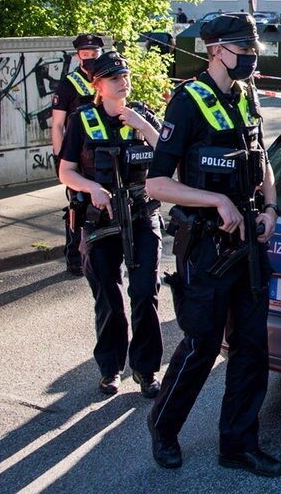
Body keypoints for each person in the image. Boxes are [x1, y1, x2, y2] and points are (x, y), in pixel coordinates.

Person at [144, 14, 281, 477]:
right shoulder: (187, 101)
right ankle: (164, 427)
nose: (252, 55)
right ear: (216, 50)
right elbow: (157, 185)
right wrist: (215, 199)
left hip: (250, 242)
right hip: (206, 246)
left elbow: (262, 157)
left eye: (254, 47)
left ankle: (238, 445)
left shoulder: (246, 95)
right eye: (244, 47)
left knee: (251, 347)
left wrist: (269, 209)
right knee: (202, 343)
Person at [57, 51, 164, 398]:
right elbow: (66, 171)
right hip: (100, 219)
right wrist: (92, 188)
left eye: (125, 75)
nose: (123, 81)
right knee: (109, 298)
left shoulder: (143, 116)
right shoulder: (82, 120)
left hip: (141, 214)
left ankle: (146, 370)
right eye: (114, 78)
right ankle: (110, 368)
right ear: (98, 86)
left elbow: (167, 156)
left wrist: (143, 126)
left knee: (145, 292)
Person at [52, 34, 104, 276]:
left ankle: (98, 255)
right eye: (86, 56)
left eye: (94, 55)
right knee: (77, 207)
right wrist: (61, 158)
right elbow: (57, 125)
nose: (90, 59)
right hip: (76, 156)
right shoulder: (69, 84)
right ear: (78, 57)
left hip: (102, 158)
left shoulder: (107, 79)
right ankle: (74, 258)